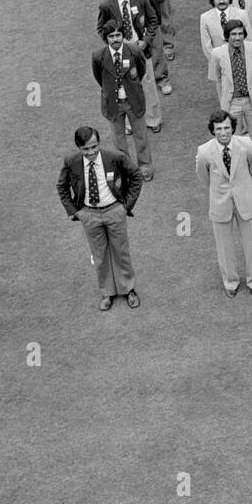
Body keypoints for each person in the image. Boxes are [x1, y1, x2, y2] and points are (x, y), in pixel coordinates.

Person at [56, 126, 142, 312]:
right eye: (86, 149)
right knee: (99, 255)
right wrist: (75, 212)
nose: (92, 152)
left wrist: (126, 206)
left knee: (121, 252)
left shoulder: (115, 157)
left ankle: (128, 289)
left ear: (99, 143)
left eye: (94, 147)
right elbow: (62, 187)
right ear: (79, 147)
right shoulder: (71, 162)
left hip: (114, 211)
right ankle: (107, 292)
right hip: (89, 214)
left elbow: (136, 176)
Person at [196, 110, 252, 298]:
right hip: (220, 204)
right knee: (224, 247)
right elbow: (203, 177)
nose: (223, 132)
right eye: (219, 129)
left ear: (233, 128)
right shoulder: (204, 152)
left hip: (246, 200)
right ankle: (231, 283)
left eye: (226, 127)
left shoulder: (246, 145)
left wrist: (242, 185)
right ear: (213, 130)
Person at [211, 21, 252, 179]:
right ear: (227, 36)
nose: (237, 37)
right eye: (233, 34)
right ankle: (238, 168)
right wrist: (223, 103)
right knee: (233, 137)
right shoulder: (217, 54)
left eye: (240, 34)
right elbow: (217, 80)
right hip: (232, 103)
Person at [92, 24, 153, 180]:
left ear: (123, 35)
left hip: (133, 101)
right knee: (118, 139)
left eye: (118, 35)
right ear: (106, 39)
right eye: (111, 36)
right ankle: (127, 168)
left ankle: (145, 165)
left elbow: (141, 70)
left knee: (141, 135)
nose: (115, 39)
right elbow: (100, 78)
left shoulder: (134, 51)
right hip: (113, 104)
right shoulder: (98, 56)